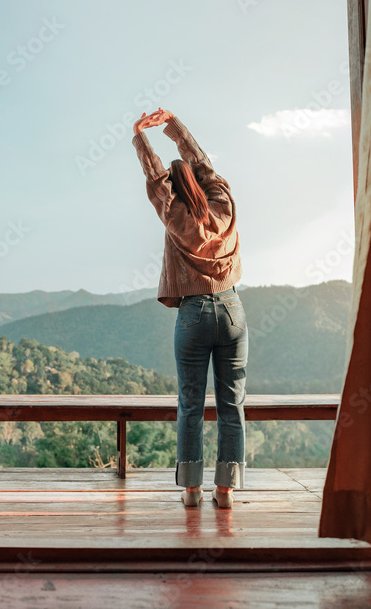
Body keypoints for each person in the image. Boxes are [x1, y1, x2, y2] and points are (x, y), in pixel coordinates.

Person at [131, 108, 247, 509]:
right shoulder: (223, 205)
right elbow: (205, 166)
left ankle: (193, 491)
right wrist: (174, 127)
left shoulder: (175, 213)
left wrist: (140, 136)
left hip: (194, 313)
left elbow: (156, 179)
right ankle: (227, 491)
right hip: (232, 310)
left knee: (190, 404)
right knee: (232, 402)